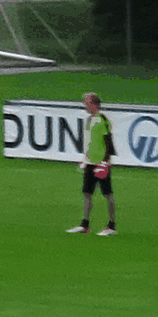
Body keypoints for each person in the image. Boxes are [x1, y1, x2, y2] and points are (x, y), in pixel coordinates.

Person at [69, 93, 120, 237]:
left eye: (86, 102)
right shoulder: (89, 120)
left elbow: (108, 139)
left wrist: (106, 161)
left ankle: (111, 225)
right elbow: (90, 142)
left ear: (93, 104)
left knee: (107, 193)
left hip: (101, 163)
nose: (84, 105)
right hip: (90, 162)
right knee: (87, 193)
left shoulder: (101, 119)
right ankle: (85, 224)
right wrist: (85, 158)